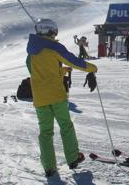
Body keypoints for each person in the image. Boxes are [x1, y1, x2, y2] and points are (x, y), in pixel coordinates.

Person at [26, 18, 98, 176]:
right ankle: (72, 158)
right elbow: (73, 61)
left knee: (45, 132)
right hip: (57, 96)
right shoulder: (54, 47)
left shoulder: (31, 51)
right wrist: (92, 68)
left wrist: (60, 71)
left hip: (40, 98)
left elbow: (37, 73)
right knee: (66, 126)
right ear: (51, 31)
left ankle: (49, 167)